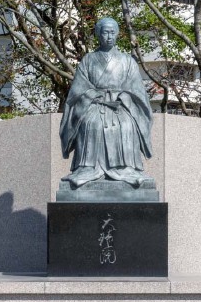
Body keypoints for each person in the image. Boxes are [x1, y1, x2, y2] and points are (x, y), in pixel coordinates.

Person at [60, 17, 153, 188]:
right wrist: (94, 96)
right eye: (105, 33)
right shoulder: (88, 60)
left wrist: (122, 97)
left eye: (112, 32)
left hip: (121, 105)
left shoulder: (128, 61)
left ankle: (126, 167)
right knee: (91, 124)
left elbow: (137, 90)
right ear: (98, 34)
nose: (109, 37)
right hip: (94, 104)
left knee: (126, 125)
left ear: (117, 34)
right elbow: (78, 89)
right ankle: (87, 167)